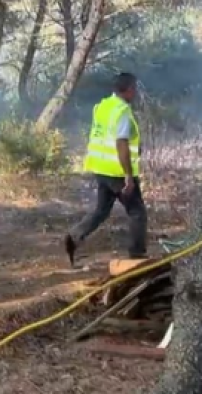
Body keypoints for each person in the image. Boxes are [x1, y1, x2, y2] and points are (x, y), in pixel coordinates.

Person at [64, 72, 147, 266]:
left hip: (100, 167)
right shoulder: (123, 111)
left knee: (101, 210)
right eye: (134, 88)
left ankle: (74, 235)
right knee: (137, 212)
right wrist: (128, 175)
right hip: (117, 171)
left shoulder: (102, 106)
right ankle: (137, 255)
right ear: (128, 89)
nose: (135, 92)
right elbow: (121, 143)